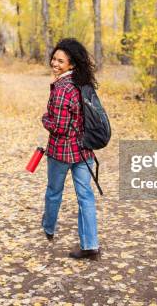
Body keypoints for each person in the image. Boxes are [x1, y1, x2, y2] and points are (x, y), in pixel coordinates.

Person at [41, 38, 101, 260]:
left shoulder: (62, 89)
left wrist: (44, 119)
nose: (55, 64)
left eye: (60, 61)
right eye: (54, 59)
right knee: (85, 196)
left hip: (61, 152)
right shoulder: (82, 84)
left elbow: (59, 127)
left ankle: (48, 228)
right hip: (84, 151)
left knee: (54, 191)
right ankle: (90, 245)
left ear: (72, 64)